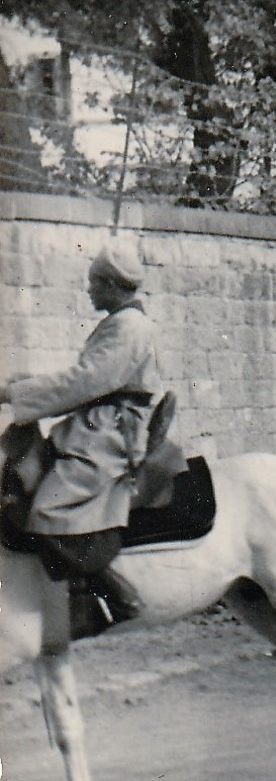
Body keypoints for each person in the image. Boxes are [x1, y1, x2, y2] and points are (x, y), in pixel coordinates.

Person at [0, 239, 163, 636]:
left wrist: (15, 394)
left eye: (94, 283)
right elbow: (87, 378)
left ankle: (116, 597)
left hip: (112, 431)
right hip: (97, 421)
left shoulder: (128, 327)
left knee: (50, 507)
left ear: (110, 284)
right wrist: (30, 385)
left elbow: (85, 381)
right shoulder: (120, 323)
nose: (89, 290)